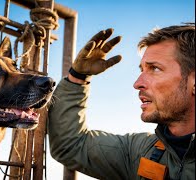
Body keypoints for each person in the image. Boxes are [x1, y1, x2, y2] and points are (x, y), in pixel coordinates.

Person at [48, 23, 195, 179]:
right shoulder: (141, 152)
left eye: (155, 69)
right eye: (142, 70)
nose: (137, 83)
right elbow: (71, 146)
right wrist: (77, 77)